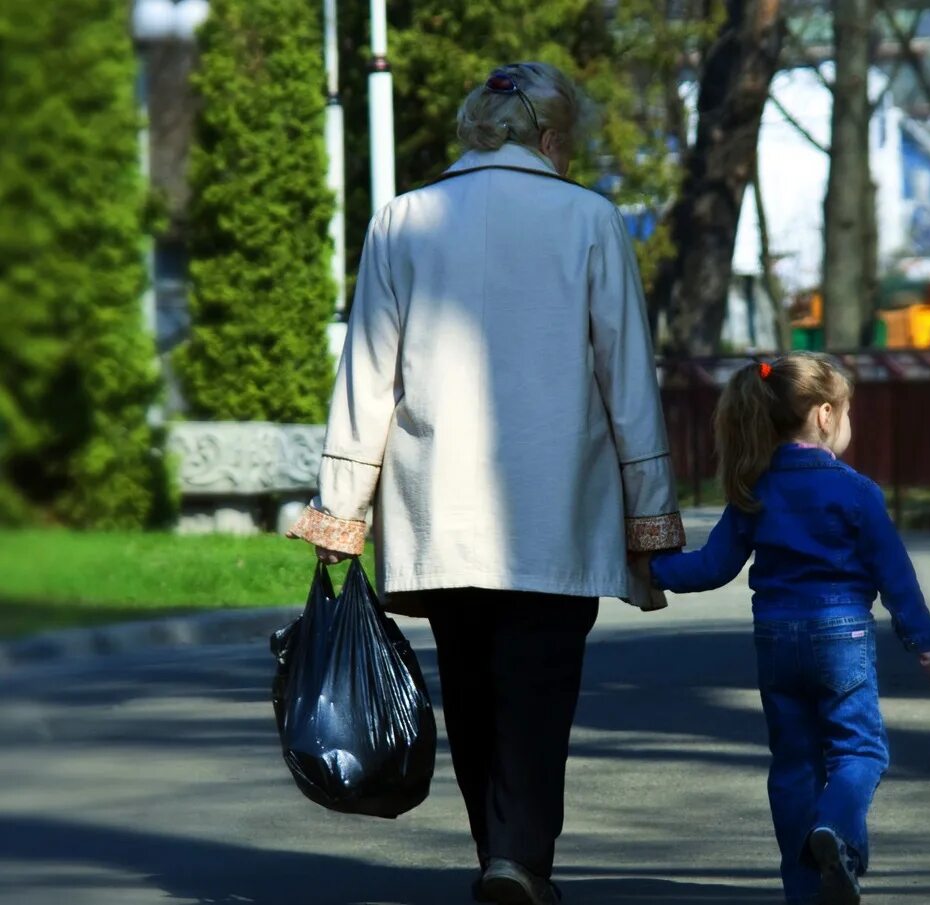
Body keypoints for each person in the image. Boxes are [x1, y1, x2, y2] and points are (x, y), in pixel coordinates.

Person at [286, 62, 685, 905]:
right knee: (538, 692)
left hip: (440, 511)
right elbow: (627, 379)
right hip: (557, 511)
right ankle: (520, 859)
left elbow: (367, 378)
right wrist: (649, 511)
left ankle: (498, 855)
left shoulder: (401, 220)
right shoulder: (590, 219)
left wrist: (340, 511)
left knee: (469, 687)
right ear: (549, 136)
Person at [646, 353, 930, 905]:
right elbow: (893, 573)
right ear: (826, 415)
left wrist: (649, 571)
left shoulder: (754, 489)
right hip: (842, 638)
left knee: (794, 762)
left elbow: (712, 567)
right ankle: (836, 833)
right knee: (860, 753)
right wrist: (921, 640)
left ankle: (804, 890)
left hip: (777, 641)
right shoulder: (856, 491)